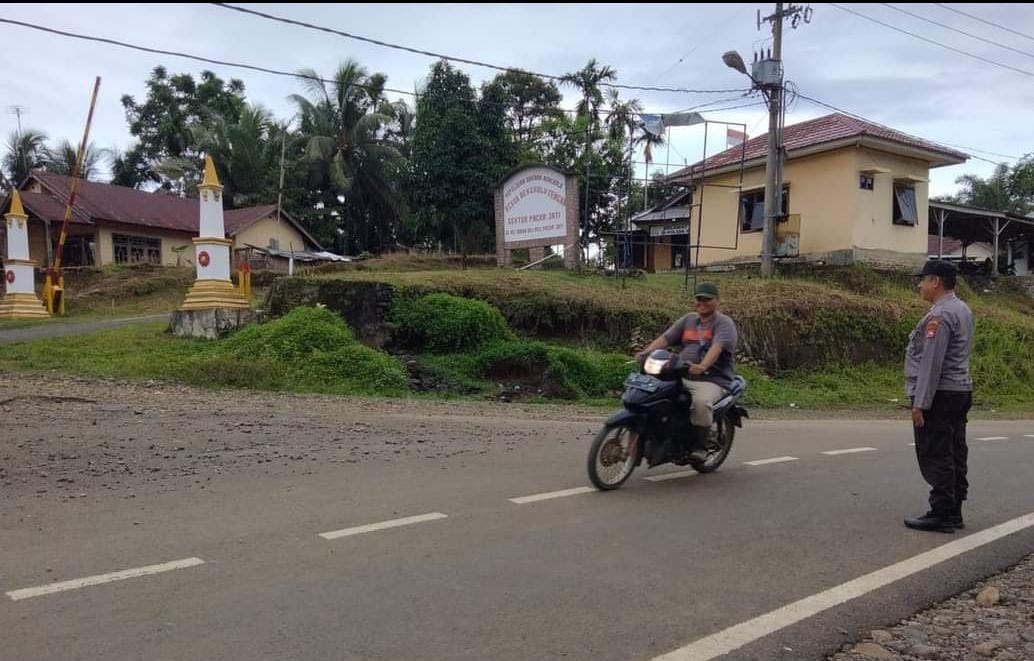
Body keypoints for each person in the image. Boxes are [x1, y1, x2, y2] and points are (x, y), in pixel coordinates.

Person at [904, 260, 974, 533]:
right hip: (959, 390)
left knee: (936, 451)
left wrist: (920, 402)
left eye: (923, 280)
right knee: (955, 449)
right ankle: (954, 509)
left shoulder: (941, 315)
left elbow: (932, 363)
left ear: (936, 282)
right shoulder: (962, 309)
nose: (920, 285)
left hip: (941, 393)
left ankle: (942, 512)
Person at [637, 282, 738, 463]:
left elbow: (717, 347)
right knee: (653, 394)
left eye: (707, 299)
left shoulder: (724, 323)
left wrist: (703, 366)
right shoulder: (689, 319)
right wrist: (646, 353)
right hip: (681, 372)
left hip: (712, 378)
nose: (702, 302)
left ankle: (701, 445)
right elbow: (666, 338)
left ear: (717, 301)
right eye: (699, 298)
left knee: (701, 402)